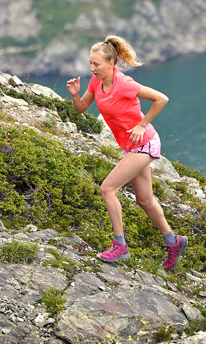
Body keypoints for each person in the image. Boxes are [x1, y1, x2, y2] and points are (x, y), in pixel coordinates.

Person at [66, 35, 188, 271]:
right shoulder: (95, 83)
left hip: (146, 144)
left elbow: (161, 99)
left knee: (107, 189)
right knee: (144, 200)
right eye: (90, 64)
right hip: (132, 147)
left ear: (111, 63)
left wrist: (142, 125)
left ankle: (120, 245)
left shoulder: (125, 84)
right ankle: (174, 241)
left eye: (96, 64)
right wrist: (74, 94)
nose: (92, 68)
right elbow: (81, 109)